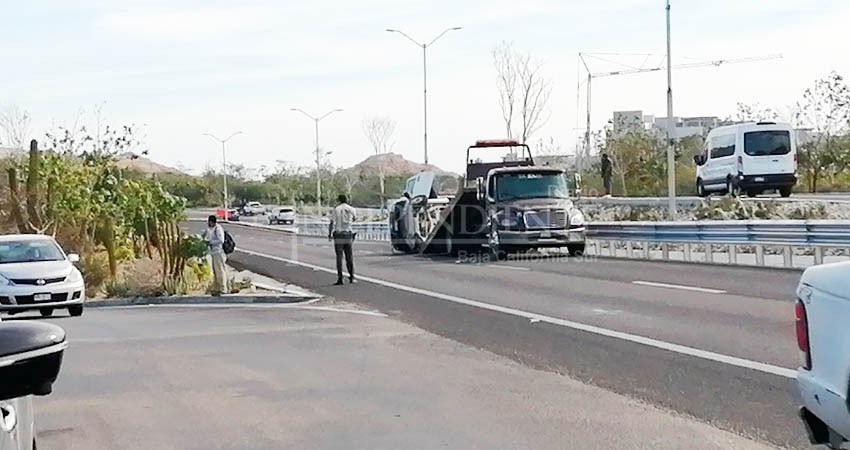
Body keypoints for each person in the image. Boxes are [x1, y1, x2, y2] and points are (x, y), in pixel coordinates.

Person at [328, 194, 357, 285]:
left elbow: (332, 222)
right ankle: (351, 276)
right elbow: (355, 218)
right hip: (348, 234)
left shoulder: (336, 209)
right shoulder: (351, 209)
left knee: (339, 257)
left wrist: (329, 234)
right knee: (349, 257)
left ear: (339, 200)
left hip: (338, 234)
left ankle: (340, 278)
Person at [204, 215, 228, 294]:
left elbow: (221, 240)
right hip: (213, 252)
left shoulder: (218, 229)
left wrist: (211, 242)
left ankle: (223, 288)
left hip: (218, 252)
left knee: (220, 270)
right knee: (215, 271)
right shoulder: (210, 229)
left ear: (212, 222)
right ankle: (217, 288)